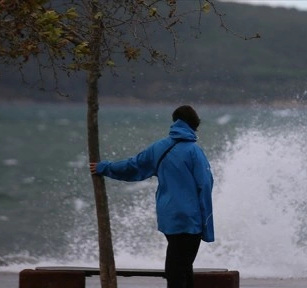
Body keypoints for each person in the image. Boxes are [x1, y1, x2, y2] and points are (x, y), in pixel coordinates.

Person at [89, 105, 214, 288]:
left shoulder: (159, 147)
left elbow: (133, 166)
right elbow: (205, 185)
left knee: (180, 266)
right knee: (178, 268)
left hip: (169, 217)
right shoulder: (194, 152)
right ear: (193, 125)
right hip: (190, 218)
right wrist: (207, 225)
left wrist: (105, 167)